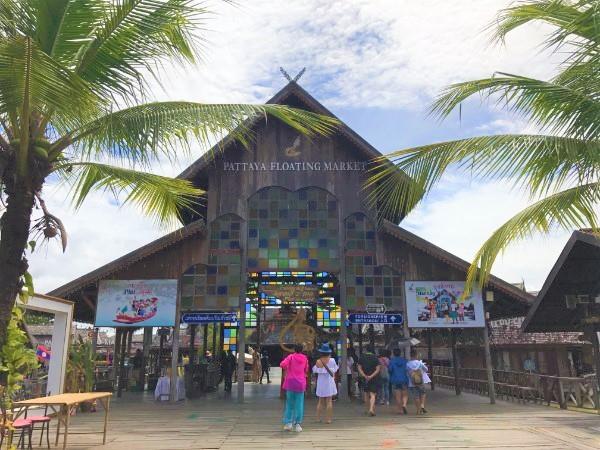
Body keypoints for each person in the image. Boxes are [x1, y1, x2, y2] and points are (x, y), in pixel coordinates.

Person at [280, 344, 308, 432]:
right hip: (300, 383)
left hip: (290, 382)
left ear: (294, 350)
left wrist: (288, 367)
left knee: (289, 404)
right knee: (299, 404)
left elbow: (282, 364)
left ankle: (288, 423)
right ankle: (298, 424)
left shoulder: (291, 357)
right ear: (302, 350)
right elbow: (306, 369)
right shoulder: (305, 358)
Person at [312, 343, 338, 424]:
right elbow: (335, 369)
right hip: (329, 382)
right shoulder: (332, 360)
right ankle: (328, 419)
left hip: (321, 382)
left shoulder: (318, 361)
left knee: (320, 401)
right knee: (329, 401)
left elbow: (315, 370)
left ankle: (318, 418)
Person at [358, 345, 381, 416]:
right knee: (373, 394)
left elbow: (359, 368)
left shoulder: (362, 357)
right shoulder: (375, 358)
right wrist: (371, 376)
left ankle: (367, 409)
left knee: (366, 393)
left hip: (365, 378)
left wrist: (364, 375)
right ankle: (371, 409)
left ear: (366, 350)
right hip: (374, 378)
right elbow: (378, 369)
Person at [407, 348, 431, 415]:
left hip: (412, 383)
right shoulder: (420, 363)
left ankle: (418, 409)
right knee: (423, 393)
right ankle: (422, 405)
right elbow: (426, 369)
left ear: (410, 356)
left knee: (416, 396)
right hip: (420, 381)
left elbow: (407, 372)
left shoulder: (408, 364)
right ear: (416, 355)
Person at [388, 348, 409, 414]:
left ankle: (400, 410)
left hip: (395, 379)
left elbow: (390, 370)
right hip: (404, 379)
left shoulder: (392, 361)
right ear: (400, 353)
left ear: (393, 354)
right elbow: (407, 369)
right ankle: (404, 405)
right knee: (405, 394)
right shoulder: (405, 360)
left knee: (398, 395)